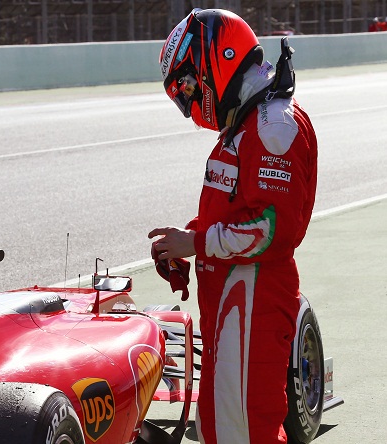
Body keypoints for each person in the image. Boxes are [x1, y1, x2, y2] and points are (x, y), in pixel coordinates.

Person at [149, 8, 318, 444]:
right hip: (232, 305)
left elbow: (270, 229)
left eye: (186, 86)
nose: (188, 105)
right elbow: (235, 212)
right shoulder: (243, 127)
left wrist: (197, 242)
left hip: (254, 305)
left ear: (217, 59)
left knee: (245, 433)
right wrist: (184, 244)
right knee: (220, 431)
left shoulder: (273, 127)